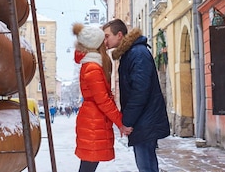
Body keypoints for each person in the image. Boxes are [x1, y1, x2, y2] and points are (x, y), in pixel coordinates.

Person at [103, 18, 170, 172]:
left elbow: (140, 92)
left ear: (119, 35)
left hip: (145, 120)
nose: (104, 40)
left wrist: (127, 121)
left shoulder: (137, 53)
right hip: (143, 120)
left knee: (147, 167)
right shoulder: (130, 53)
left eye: (107, 36)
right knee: (146, 165)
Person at [72, 22, 132, 172]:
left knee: (88, 165)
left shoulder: (93, 64)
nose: (106, 43)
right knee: (88, 166)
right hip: (93, 121)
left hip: (94, 119)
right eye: (102, 40)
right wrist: (120, 122)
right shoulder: (92, 67)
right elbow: (103, 100)